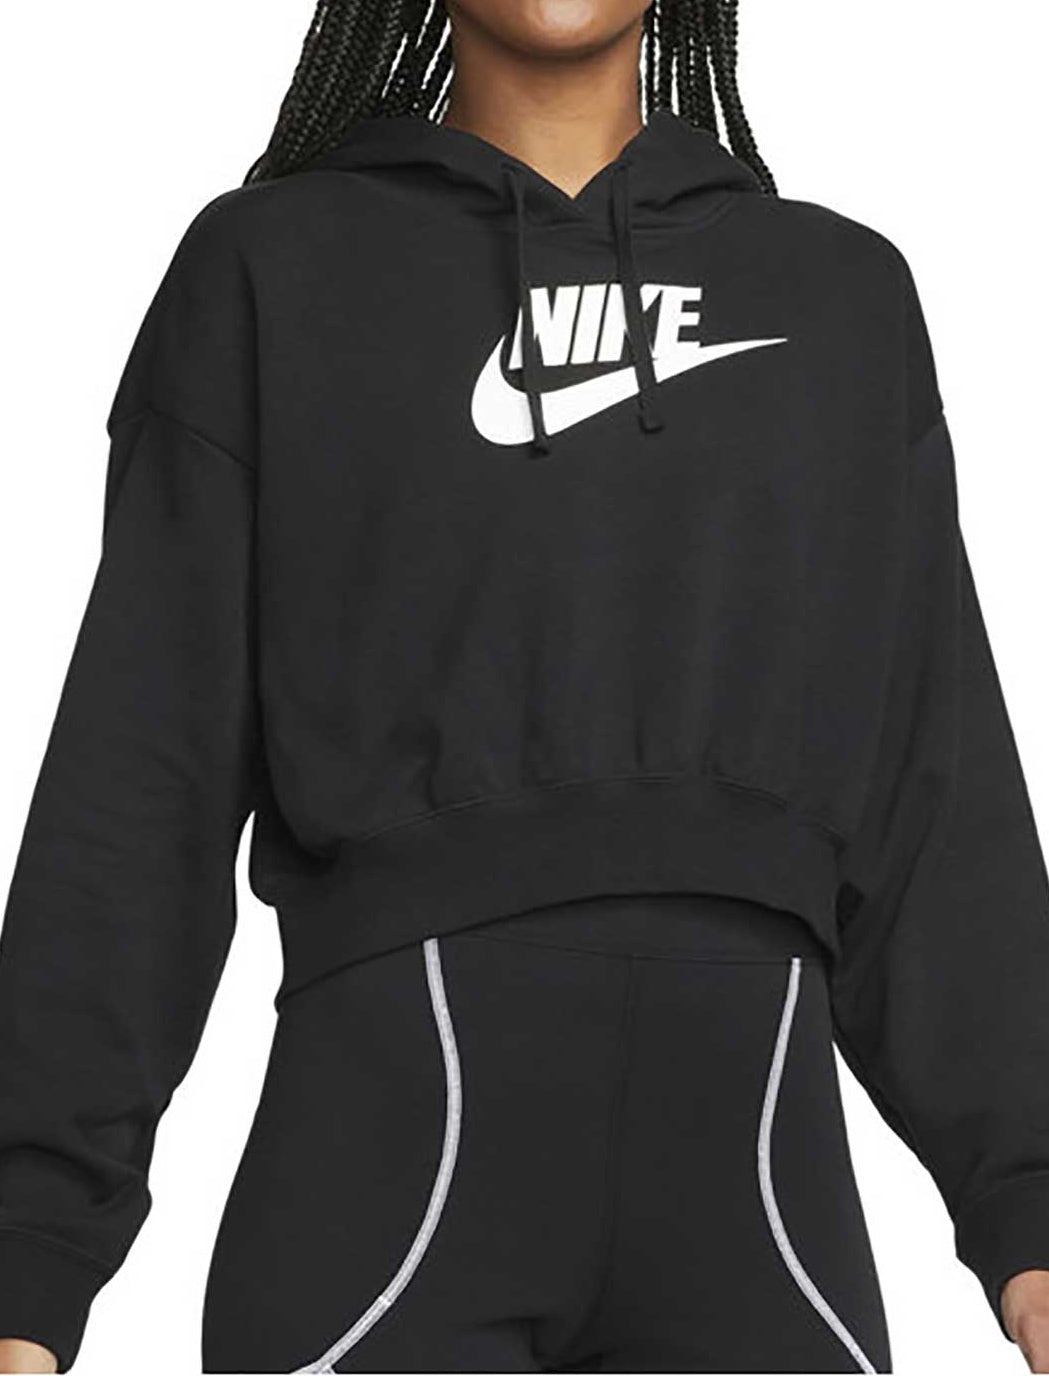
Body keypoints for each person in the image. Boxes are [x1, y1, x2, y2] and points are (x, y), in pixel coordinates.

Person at [2, 0, 1049, 1371]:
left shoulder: (840, 296)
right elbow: (142, 776)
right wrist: (28, 1250)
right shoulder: (275, 267)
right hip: (379, 1205)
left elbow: (936, 785)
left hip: (761, 1217)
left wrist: (1028, 1191)